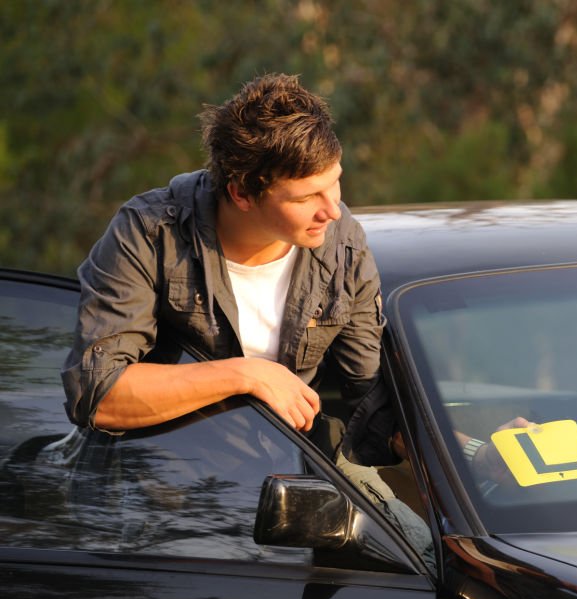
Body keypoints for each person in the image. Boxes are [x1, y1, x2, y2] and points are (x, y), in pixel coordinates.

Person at [61, 73, 392, 464]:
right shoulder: (149, 234)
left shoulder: (344, 245)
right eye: (307, 197)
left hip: (293, 475)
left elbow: (368, 404)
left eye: (334, 183)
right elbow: (99, 395)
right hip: (164, 487)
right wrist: (245, 374)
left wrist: (470, 449)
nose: (332, 210)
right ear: (242, 193)